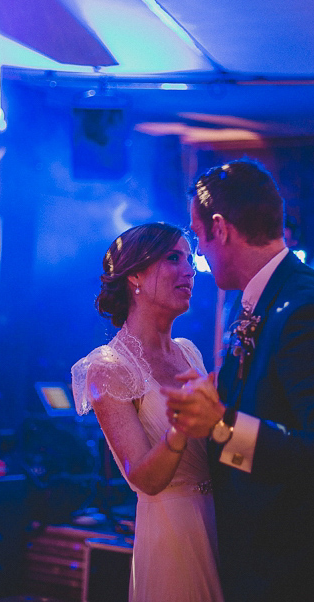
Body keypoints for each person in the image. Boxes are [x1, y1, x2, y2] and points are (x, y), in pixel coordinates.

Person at [162, 160, 314, 602]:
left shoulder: (307, 310)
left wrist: (223, 427)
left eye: (196, 237)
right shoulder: (253, 299)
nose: (198, 254)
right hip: (265, 566)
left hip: (311, 577)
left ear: (220, 228)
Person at [71, 222, 224, 602]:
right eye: (174, 258)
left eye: (190, 259)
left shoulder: (189, 351)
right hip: (173, 533)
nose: (189, 270)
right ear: (135, 275)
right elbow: (142, 478)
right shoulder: (108, 366)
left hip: (222, 522)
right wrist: (182, 425)